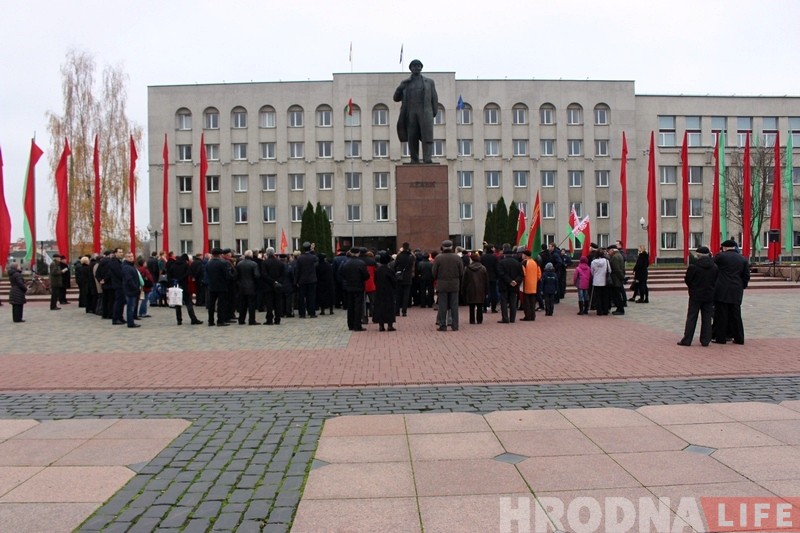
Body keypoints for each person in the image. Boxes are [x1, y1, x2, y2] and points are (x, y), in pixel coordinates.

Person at [393, 59, 439, 164]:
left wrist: (433, 112)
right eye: (414, 66)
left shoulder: (429, 82)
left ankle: (427, 158)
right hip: (410, 113)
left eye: (418, 66)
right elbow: (396, 98)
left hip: (425, 112)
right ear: (411, 68)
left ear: (421, 68)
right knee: (412, 136)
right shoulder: (405, 83)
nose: (417, 68)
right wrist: (400, 87)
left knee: (427, 136)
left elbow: (434, 98)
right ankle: (414, 158)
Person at [678, 246, 718, 347]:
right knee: (707, 318)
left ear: (698, 255)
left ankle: (687, 340)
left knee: (692, 317)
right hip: (709, 295)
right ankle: (705, 340)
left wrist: (692, 288)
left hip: (695, 295)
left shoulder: (693, 267)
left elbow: (688, 280)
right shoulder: (714, 267)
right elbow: (715, 280)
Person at [712, 239, 750, 344]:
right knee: (736, 314)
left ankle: (721, 338)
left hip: (722, 289)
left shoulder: (720, 257)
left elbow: (712, 268)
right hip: (736, 289)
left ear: (724, 248)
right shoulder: (743, 259)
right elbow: (746, 275)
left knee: (721, 314)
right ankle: (739, 338)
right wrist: (742, 286)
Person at [432, 239, 464, 331]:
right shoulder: (457, 258)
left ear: (442, 247)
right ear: (451, 247)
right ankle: (455, 325)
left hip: (442, 284)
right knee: (454, 306)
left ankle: (442, 325)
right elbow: (461, 272)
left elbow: (434, 273)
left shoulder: (438, 258)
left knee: (442, 306)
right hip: (454, 284)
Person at [340, 247, 369, 331]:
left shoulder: (345, 262)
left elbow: (342, 273)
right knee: (358, 306)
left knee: (350, 306)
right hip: (359, 287)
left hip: (348, 287)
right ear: (358, 253)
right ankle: (357, 325)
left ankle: (350, 325)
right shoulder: (361, 263)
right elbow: (366, 275)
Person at [496, 245, 523, 324]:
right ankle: (512, 318)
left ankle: (505, 318)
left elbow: (501, 274)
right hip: (514, 285)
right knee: (513, 302)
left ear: (504, 254)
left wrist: (509, 281)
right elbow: (521, 274)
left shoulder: (501, 262)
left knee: (504, 302)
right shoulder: (517, 263)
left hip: (504, 285)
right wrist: (515, 281)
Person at [206, 248, 232, 326]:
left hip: (211, 286)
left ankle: (210, 321)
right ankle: (220, 320)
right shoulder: (223, 263)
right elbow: (227, 275)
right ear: (220, 254)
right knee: (221, 304)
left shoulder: (208, 263)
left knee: (211, 304)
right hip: (222, 286)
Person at [373, 252, 397, 331]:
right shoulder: (389, 270)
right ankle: (390, 325)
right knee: (390, 308)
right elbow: (394, 281)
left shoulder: (378, 270)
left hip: (379, 291)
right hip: (388, 291)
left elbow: (375, 280)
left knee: (380, 307)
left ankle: (381, 325)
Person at [461, 252, 488, 325]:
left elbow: (464, 280)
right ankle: (479, 320)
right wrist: (486, 290)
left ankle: (472, 320)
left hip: (470, 289)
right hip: (480, 289)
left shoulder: (467, 268)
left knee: (471, 306)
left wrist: (463, 290)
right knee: (479, 305)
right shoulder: (483, 268)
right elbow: (486, 280)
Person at [235, 250, 260, 325]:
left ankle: (241, 319)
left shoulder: (239, 264)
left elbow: (236, 275)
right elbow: (257, 275)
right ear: (251, 256)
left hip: (241, 287)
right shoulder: (254, 264)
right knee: (251, 305)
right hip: (251, 286)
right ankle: (251, 320)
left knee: (242, 304)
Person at [294, 242, 318, 318]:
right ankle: (312, 313)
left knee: (301, 297)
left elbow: (297, 270)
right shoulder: (313, 257)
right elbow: (316, 265)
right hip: (312, 280)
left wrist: (296, 281)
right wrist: (313, 250)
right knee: (311, 297)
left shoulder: (300, 258)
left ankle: (302, 313)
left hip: (302, 280)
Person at [393, 242, 415, 316]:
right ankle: (404, 311)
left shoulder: (399, 256)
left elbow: (395, 266)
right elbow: (412, 265)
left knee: (398, 294)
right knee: (406, 295)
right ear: (408, 247)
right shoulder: (411, 256)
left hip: (400, 277)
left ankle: (397, 311)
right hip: (408, 277)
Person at [121, 252, 142, 328]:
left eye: (132, 256)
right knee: (130, 307)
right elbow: (129, 279)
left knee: (131, 306)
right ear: (126, 258)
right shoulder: (126, 267)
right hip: (130, 290)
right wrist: (135, 287)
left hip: (132, 289)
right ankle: (130, 323)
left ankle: (131, 321)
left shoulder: (131, 266)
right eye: (129, 256)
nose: (131, 257)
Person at [520, 249, 541, 321]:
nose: (522, 256)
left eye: (522, 254)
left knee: (526, 302)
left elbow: (523, 273)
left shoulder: (524, 263)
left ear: (525, 255)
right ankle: (533, 316)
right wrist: (535, 280)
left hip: (526, 284)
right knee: (532, 302)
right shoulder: (535, 262)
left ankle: (527, 316)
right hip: (534, 285)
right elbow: (539, 274)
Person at [590, 249, 611, 316]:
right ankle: (605, 310)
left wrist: (596, 275)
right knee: (605, 296)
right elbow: (609, 270)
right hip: (605, 281)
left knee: (598, 297)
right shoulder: (606, 261)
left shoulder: (593, 262)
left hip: (596, 281)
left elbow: (592, 271)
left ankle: (599, 311)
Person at [608, 245, 626, 315]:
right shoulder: (619, 255)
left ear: (612, 250)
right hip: (618, 279)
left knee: (617, 295)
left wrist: (622, 277)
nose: (608, 252)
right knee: (618, 295)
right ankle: (619, 308)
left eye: (609, 251)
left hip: (616, 279)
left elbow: (617, 269)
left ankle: (620, 309)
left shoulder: (615, 257)